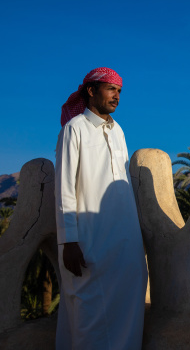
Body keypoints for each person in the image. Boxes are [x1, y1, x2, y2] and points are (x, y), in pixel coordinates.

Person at [55, 67, 148, 350]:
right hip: (88, 234)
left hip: (124, 234)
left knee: (130, 292)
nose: (116, 96)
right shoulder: (74, 129)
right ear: (91, 91)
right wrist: (68, 240)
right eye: (110, 89)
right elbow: (64, 186)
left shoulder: (118, 131)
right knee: (89, 302)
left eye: (119, 91)